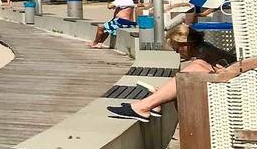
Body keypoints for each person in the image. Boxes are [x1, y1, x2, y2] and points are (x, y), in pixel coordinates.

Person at [108, 25, 255, 121]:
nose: (178, 53)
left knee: (194, 68)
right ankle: (153, 103)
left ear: (185, 45)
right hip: (234, 85)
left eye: (177, 49)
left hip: (235, 92)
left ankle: (145, 106)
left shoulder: (205, 53)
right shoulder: (204, 49)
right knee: (193, 68)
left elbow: (221, 74)